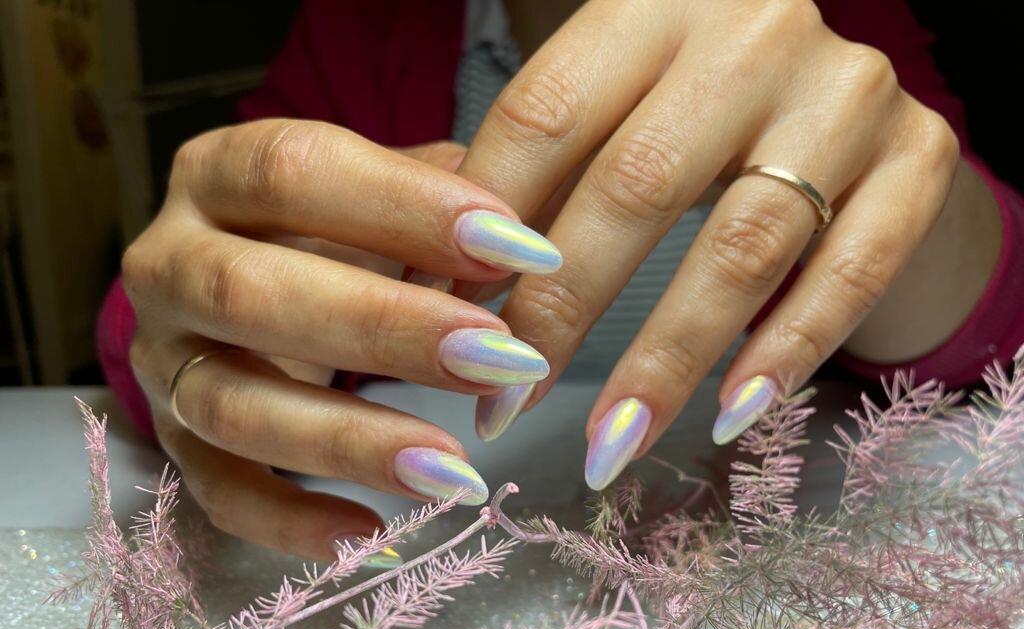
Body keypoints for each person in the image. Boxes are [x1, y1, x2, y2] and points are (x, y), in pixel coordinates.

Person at [97, 0, 1024, 562]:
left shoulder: (843, 20)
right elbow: (186, 283)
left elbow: (993, 314)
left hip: (784, 530)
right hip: (450, 548)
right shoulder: (368, 27)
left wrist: (910, 197)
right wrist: (206, 323)